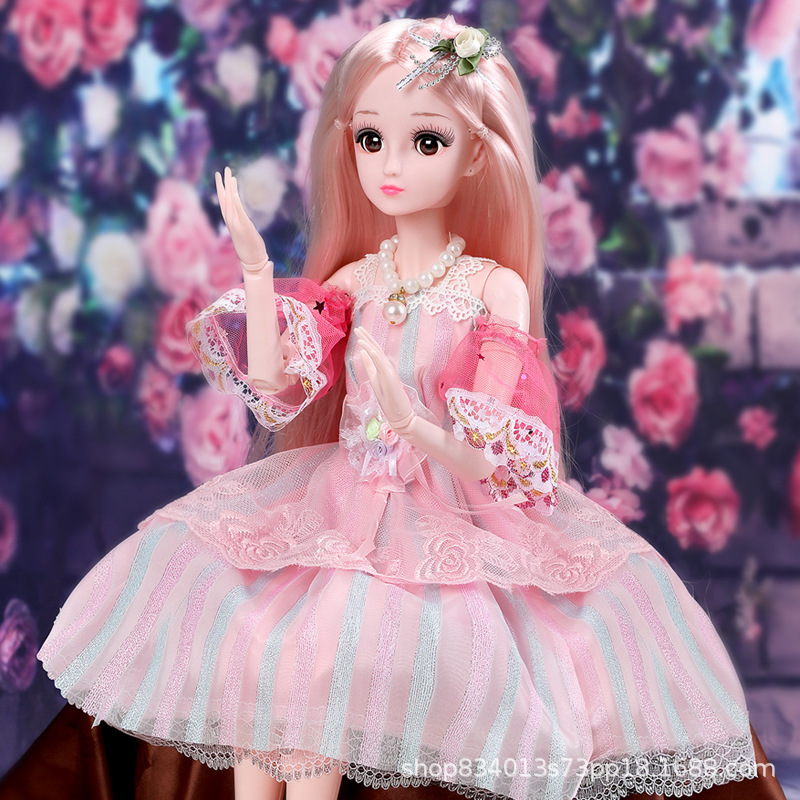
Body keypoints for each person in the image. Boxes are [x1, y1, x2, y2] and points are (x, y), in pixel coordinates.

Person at [36, 15, 776, 800]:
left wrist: (413, 423)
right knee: (259, 659)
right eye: (370, 139)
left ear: (475, 155)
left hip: (446, 509)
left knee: (327, 660)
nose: (390, 165)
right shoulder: (355, 282)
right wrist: (256, 272)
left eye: (426, 141)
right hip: (341, 498)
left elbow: (489, 454)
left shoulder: (494, 289)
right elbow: (280, 390)